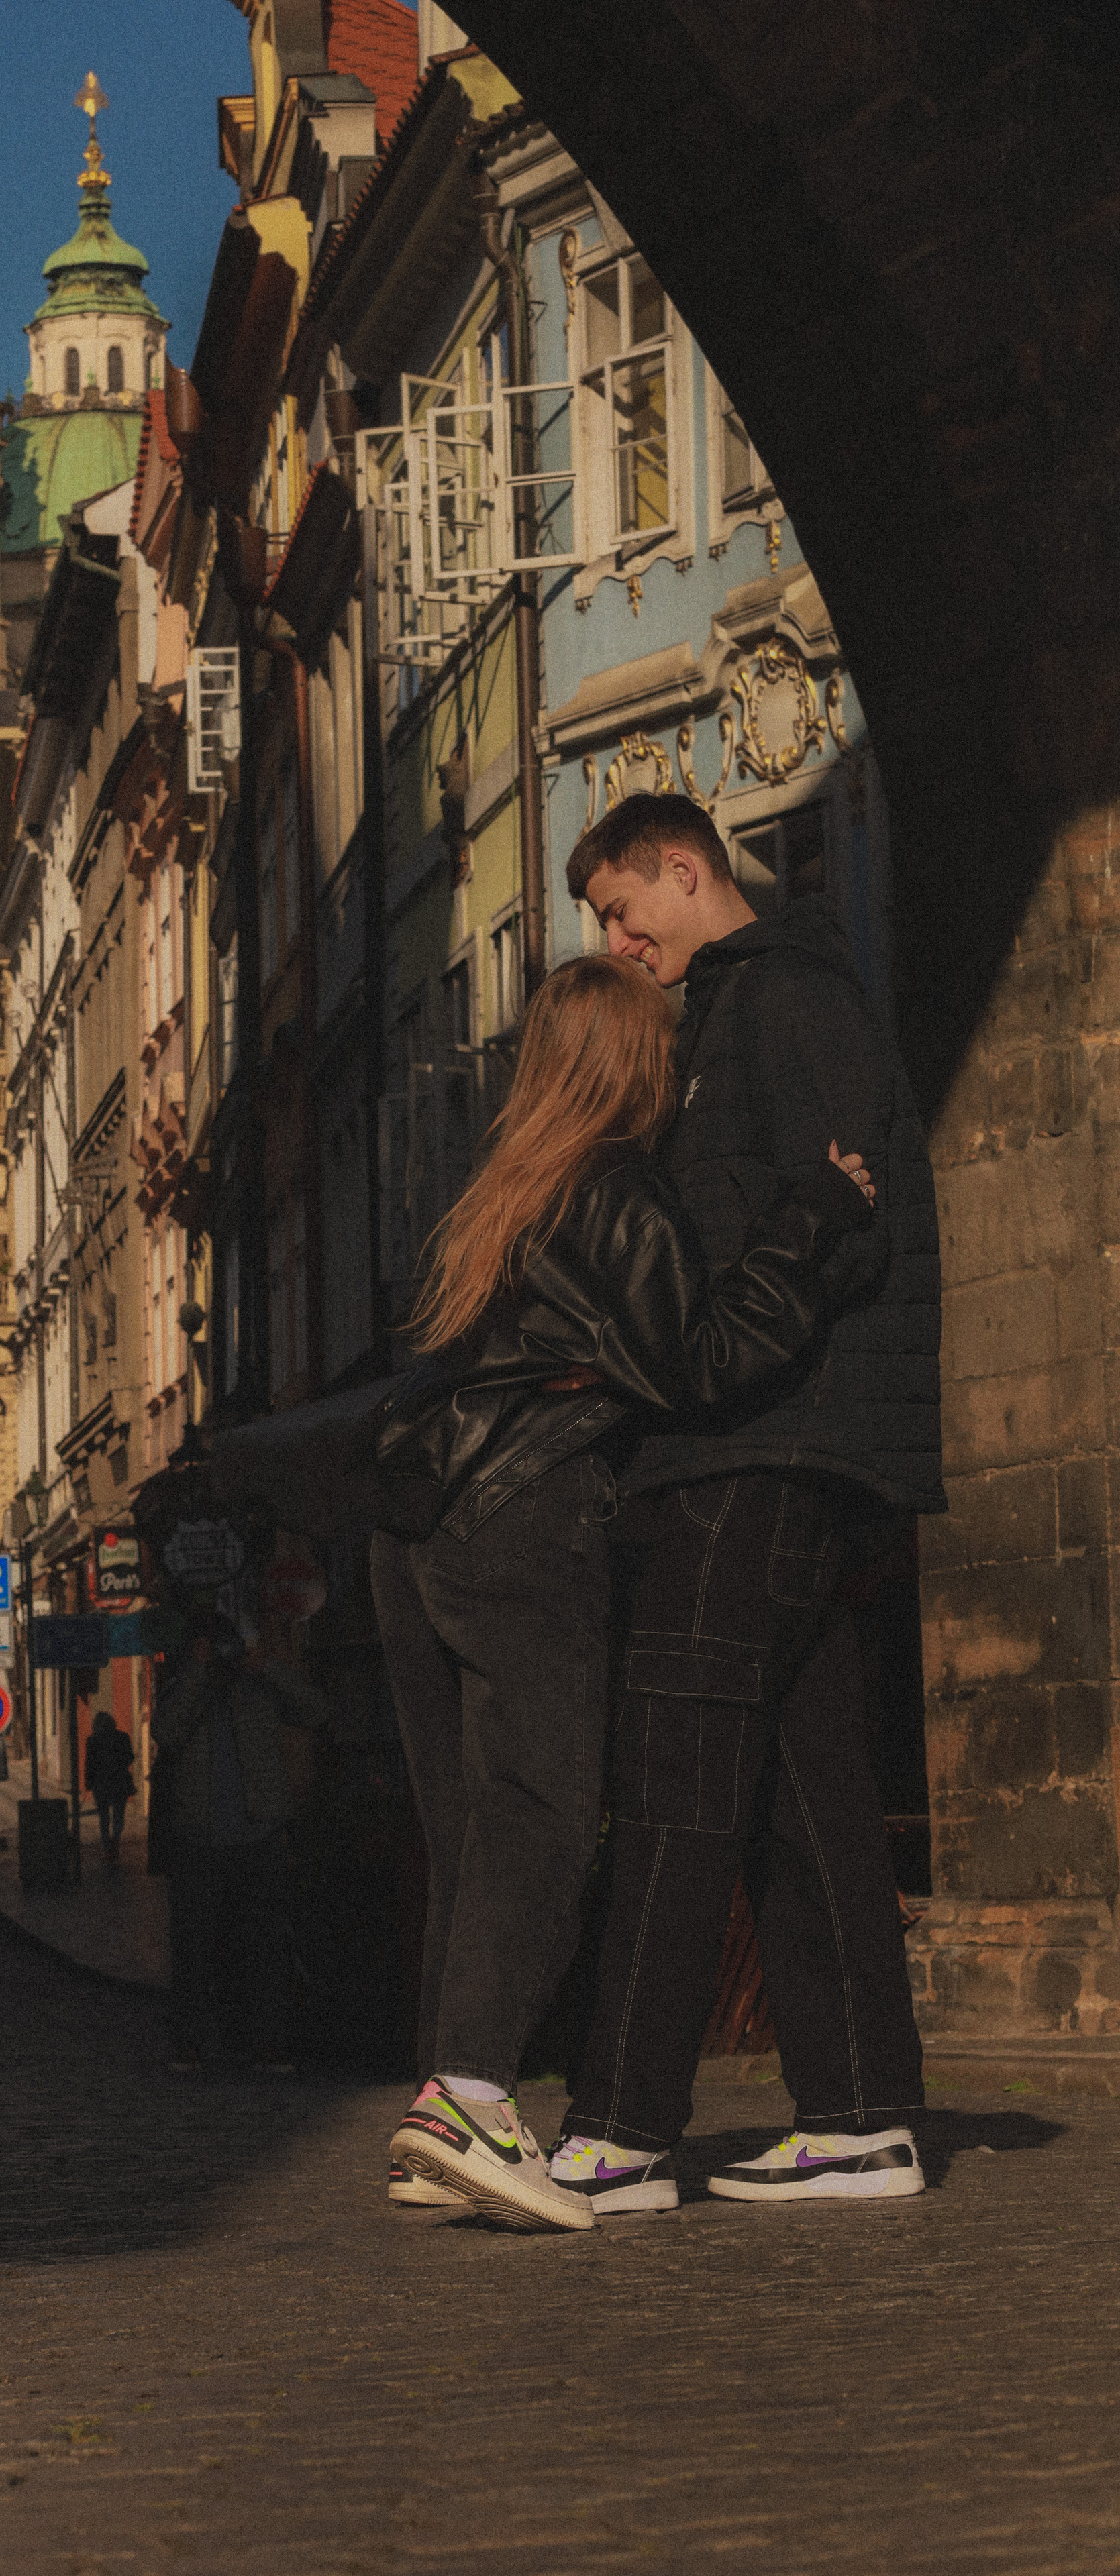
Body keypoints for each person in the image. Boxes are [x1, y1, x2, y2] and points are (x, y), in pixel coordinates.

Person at [369, 952, 877, 2232]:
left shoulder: (507, 1191)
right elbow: (703, 1363)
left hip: (424, 1530)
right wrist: (807, 1221)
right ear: (631, 1061)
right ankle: (469, 2098)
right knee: (545, 1813)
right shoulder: (616, 1189)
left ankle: (440, 2103)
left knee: (478, 1828)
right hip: (523, 1527)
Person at [556, 792, 943, 2209]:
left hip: (757, 1446)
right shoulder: (712, 1019)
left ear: (683, 868)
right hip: (762, 1445)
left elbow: (844, 1212)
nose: (616, 940)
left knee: (673, 1782)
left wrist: (716, 1365)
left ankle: (619, 2134)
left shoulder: (780, 998)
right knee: (805, 1791)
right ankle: (858, 2119)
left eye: (619, 908)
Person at [154, 1615, 327, 2072]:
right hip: (198, 1837)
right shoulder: (184, 1686)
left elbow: (316, 1711)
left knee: (266, 1947)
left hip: (261, 1833)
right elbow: (166, 1733)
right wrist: (198, 1673)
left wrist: (265, 1668)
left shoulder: (259, 1687)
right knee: (194, 1949)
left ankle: (268, 2044)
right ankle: (193, 2044)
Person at [83, 1709, 135, 1870]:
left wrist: (89, 1782)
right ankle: (116, 1843)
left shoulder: (93, 1741)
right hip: (120, 1783)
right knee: (119, 1816)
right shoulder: (123, 1737)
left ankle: (107, 1849)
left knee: (104, 1818)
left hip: (101, 1784)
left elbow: (89, 1764)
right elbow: (130, 1758)